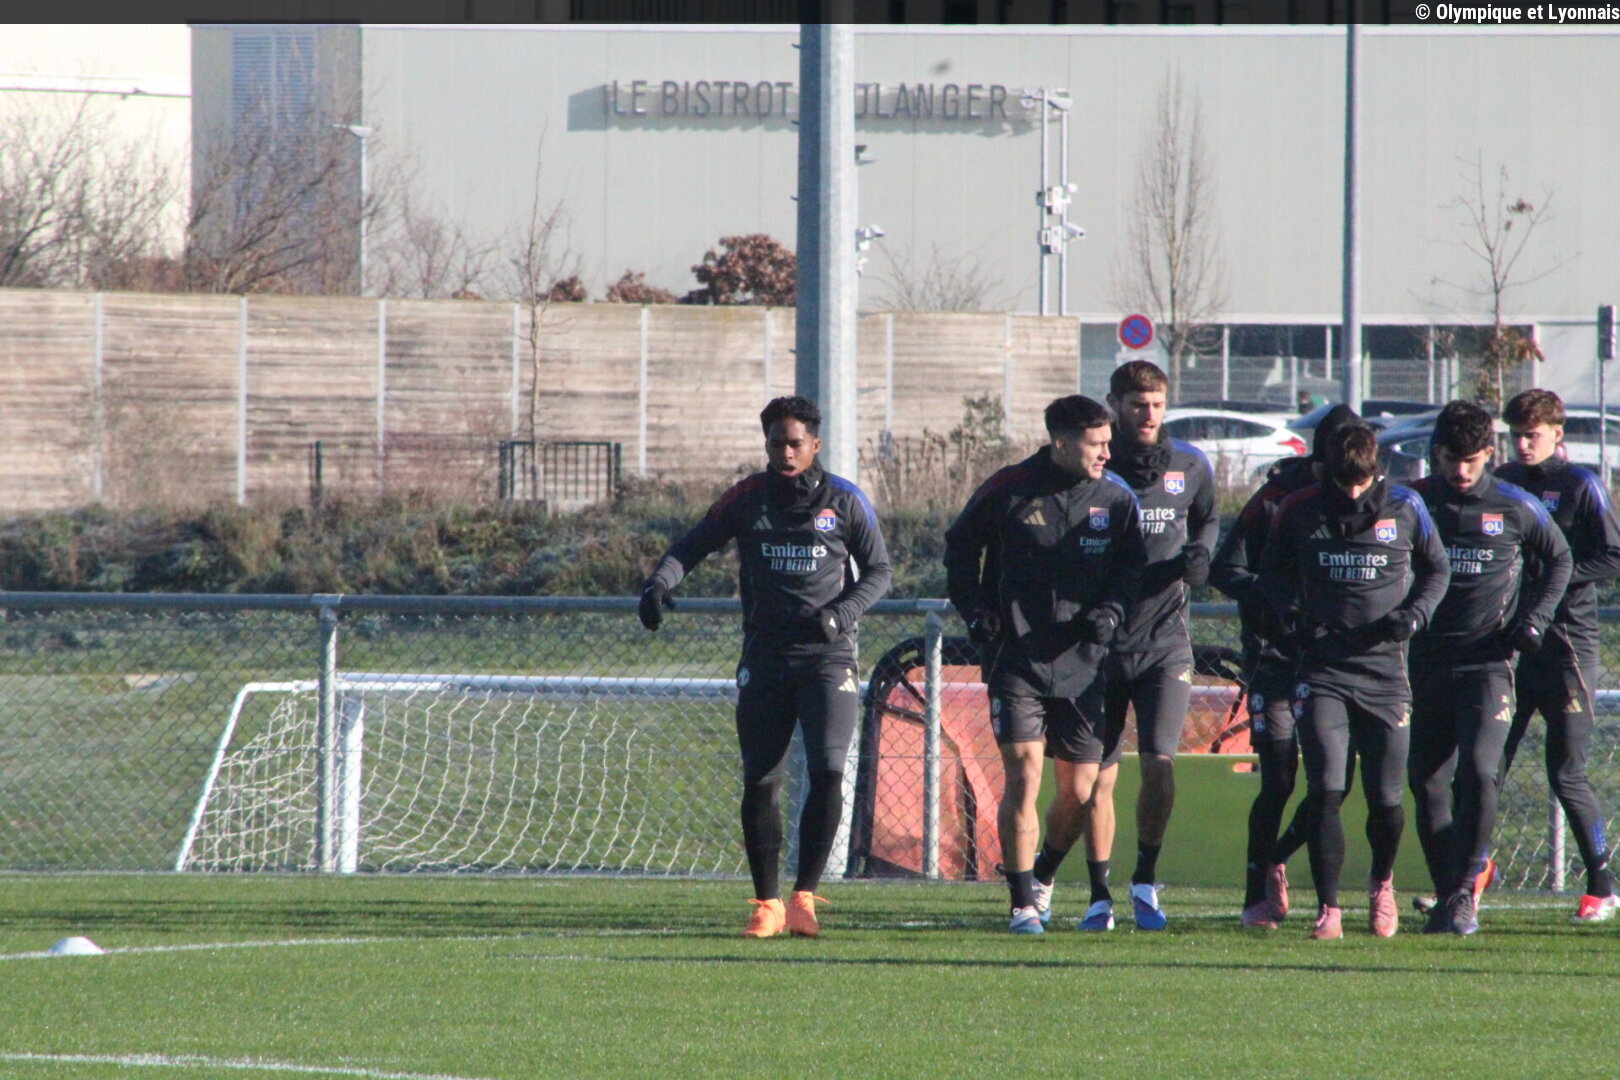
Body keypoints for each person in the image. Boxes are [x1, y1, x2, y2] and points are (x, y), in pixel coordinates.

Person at [637, 396, 891, 938]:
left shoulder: (846, 501)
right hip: (766, 657)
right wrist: (659, 583)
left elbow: (879, 572)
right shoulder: (746, 498)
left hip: (828, 658)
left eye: (795, 443)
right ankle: (767, 903)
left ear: (815, 444)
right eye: (777, 443)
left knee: (828, 771)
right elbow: (692, 545)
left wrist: (840, 614)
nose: (785, 452)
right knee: (761, 780)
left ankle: (804, 899)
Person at [944, 395, 1146, 934]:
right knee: (1024, 775)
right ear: (1061, 442)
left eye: (1108, 443)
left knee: (1079, 792)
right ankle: (1021, 906)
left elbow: (1132, 569)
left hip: (1085, 663)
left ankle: (1043, 872)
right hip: (1017, 660)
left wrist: (1112, 610)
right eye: (1096, 443)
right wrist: (976, 610)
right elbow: (959, 548)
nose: (1107, 453)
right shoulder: (1008, 489)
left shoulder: (1116, 496)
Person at [1259, 422, 1449, 939]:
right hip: (1323, 671)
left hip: (1385, 673)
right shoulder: (1298, 509)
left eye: (1361, 483)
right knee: (1326, 787)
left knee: (1386, 799)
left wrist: (1414, 616)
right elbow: (1271, 574)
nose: (1352, 493)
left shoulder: (1406, 506)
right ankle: (1329, 909)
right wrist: (1293, 618)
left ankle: (1381, 884)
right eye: (1342, 484)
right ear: (1326, 473)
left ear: (1376, 471)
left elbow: (1437, 570)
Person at [1407, 401, 1572, 935]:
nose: (1461, 471)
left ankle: (1462, 895)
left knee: (1479, 772)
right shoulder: (1413, 503)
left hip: (1488, 664)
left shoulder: (1515, 505)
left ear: (1487, 455)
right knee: (1428, 784)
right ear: (1435, 454)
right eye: (1451, 460)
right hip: (1425, 663)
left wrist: (1535, 619)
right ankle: (1447, 893)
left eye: (1472, 461)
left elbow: (1561, 559)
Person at [1212, 403, 1362, 929]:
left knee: (1334, 784)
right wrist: (1275, 599)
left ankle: (1279, 857)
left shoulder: (1370, 499)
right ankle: (1255, 893)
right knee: (1277, 778)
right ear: (1320, 460)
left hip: (1335, 663)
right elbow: (1224, 569)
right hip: (1274, 658)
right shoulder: (1275, 498)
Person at [1083, 360, 1218, 931]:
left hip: (1165, 644)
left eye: (1158, 404)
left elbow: (1209, 520)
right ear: (1115, 403)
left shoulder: (1190, 464)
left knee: (1160, 764)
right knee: (1097, 776)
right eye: (1138, 404)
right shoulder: (1097, 466)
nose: (1148, 414)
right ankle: (1098, 894)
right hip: (1101, 646)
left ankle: (1144, 878)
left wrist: (1201, 556)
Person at [1494, 388, 1620, 923]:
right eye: (1516, 435)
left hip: (1567, 646)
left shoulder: (1580, 484)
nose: (1523, 444)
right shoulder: (1502, 481)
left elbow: (1613, 554)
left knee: (1565, 772)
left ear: (1557, 434)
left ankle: (1602, 886)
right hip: (1512, 646)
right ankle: (1466, 875)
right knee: (1486, 765)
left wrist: (1557, 577)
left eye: (1533, 435)